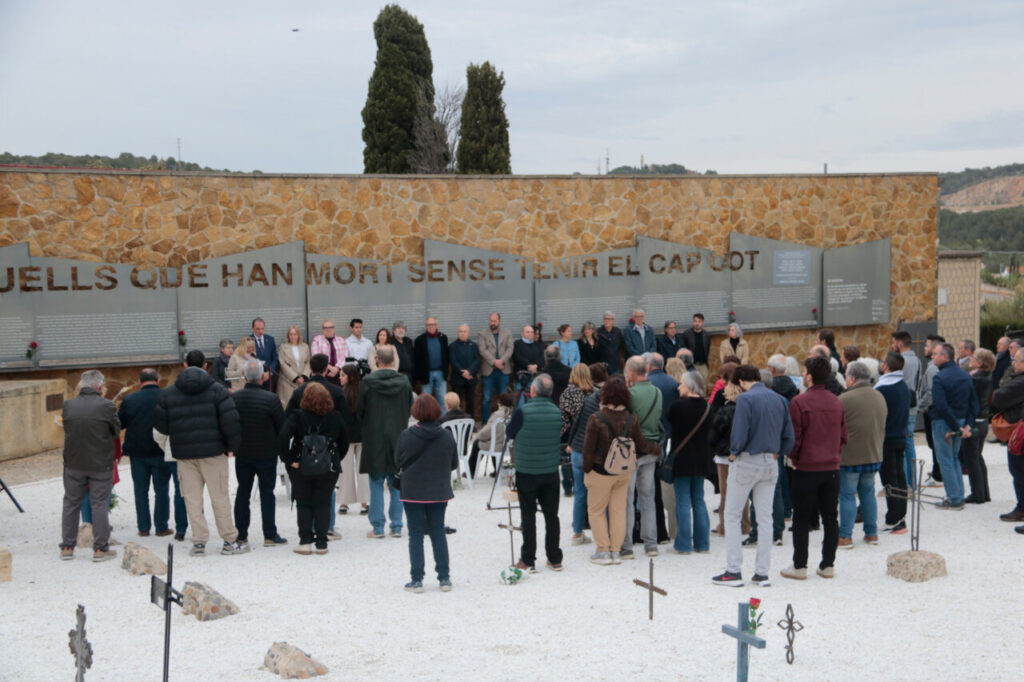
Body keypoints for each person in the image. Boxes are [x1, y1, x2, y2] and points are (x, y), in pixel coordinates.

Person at [153, 350, 246, 557]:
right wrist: (232, 447)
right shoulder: (217, 390)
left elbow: (161, 425)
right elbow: (230, 421)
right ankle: (229, 540)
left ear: (185, 365)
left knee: (192, 500)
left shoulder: (169, 393)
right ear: (205, 366)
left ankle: (199, 543)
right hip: (214, 453)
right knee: (220, 497)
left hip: (184, 455)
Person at [711, 365, 794, 587]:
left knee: (732, 514)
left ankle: (733, 570)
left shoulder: (745, 400)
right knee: (765, 517)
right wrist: (779, 452)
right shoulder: (779, 400)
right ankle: (761, 573)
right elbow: (789, 436)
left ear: (740, 382)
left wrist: (733, 453)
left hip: (746, 460)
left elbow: (739, 433)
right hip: (770, 460)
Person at [780, 356, 846, 581]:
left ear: (808, 375)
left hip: (807, 467)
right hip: (831, 466)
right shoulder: (837, 402)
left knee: (801, 517)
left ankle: (800, 565)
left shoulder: (799, 403)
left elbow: (795, 438)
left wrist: (795, 458)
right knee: (830, 516)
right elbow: (843, 436)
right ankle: (828, 564)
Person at [581, 376, 660, 564]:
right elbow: (640, 444)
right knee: (619, 510)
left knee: (596, 511)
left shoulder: (596, 419)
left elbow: (588, 450)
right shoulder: (630, 418)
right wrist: (656, 449)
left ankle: (603, 550)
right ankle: (616, 550)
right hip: (623, 472)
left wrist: (586, 470)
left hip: (601, 471)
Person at [395, 394, 458, 593]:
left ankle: (416, 579)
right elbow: (454, 463)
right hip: (438, 488)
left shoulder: (407, 435)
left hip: (413, 489)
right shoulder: (446, 435)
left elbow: (398, 461)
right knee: (438, 531)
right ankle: (444, 577)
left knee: (415, 534)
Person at [279, 382, 348, 555]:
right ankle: (322, 542)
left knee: (303, 503)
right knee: (323, 502)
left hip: (300, 463)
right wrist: (335, 458)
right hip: (328, 465)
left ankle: (305, 541)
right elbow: (344, 443)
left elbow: (282, 437)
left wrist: (288, 459)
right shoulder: (336, 416)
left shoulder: (297, 416)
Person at [59, 370, 121, 562]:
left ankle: (67, 546)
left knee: (71, 503)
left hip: (74, 462)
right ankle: (100, 548)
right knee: (99, 504)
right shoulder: (107, 406)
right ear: (100, 386)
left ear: (81, 385)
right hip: (100, 463)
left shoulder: (68, 405)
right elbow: (116, 430)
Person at [506, 374, 564, 572]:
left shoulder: (523, 411)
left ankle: (528, 558)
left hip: (527, 470)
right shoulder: (557, 412)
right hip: (550, 470)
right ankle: (555, 557)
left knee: (528, 516)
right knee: (551, 515)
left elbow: (509, 433)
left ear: (532, 391)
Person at [358, 346, 413, 538]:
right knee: (397, 480)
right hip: (398, 434)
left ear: (378, 361)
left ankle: (378, 527)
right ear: (393, 361)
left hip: (375, 435)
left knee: (375, 480)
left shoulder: (367, 382)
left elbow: (360, 410)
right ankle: (396, 525)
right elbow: (408, 407)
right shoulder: (404, 381)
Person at [120, 368, 182, 539]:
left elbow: (121, 423)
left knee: (140, 490)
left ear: (140, 382)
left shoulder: (129, 399)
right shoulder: (167, 396)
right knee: (161, 489)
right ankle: (161, 526)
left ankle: (143, 527)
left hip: (137, 451)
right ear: (158, 381)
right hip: (160, 450)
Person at [232, 359, 287, 549]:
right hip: (266, 453)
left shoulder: (235, 398)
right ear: (263, 377)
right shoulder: (271, 399)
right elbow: (282, 427)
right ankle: (270, 534)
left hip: (243, 452)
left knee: (243, 492)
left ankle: (240, 534)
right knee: (267, 493)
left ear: (245, 376)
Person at [837, 361, 887, 549]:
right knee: (868, 493)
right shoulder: (879, 396)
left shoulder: (844, 399)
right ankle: (871, 533)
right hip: (874, 453)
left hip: (850, 455)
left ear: (851, 378)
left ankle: (845, 536)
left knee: (847, 495)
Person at [666, 372, 714, 555]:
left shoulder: (678, 407)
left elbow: (670, 421)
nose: (679, 387)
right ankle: (702, 543)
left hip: (682, 458)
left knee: (683, 502)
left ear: (689, 385)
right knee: (699, 500)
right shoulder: (707, 407)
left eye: (681, 384)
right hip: (701, 458)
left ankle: (684, 544)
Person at [929, 343, 979, 509]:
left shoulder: (939, 378)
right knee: (954, 459)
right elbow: (974, 404)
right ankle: (958, 494)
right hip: (961, 421)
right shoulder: (965, 376)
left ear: (944, 357)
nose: (932, 356)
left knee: (945, 460)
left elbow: (941, 405)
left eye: (935, 354)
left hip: (944, 423)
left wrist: (957, 427)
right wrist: (967, 425)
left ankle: (955, 499)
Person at [624, 355, 663, 558]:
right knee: (648, 499)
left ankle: (627, 546)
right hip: (651, 449)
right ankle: (651, 545)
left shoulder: (629, 394)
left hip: (632, 451)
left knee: (628, 499)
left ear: (630, 373)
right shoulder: (657, 392)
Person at [707, 369, 751, 538]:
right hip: (743, 454)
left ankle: (724, 526)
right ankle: (745, 524)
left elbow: (713, 435)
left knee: (726, 492)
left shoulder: (723, 412)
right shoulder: (746, 410)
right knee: (743, 492)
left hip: (724, 455)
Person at [560, 363, 597, 537]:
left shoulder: (567, 393)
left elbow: (565, 421)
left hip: (576, 443)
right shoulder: (595, 393)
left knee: (580, 490)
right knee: (597, 489)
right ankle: (595, 523)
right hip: (594, 443)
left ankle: (578, 528)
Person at [876, 352, 911, 534]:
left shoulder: (883, 388)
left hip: (887, 439)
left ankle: (894, 518)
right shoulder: (902, 385)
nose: (880, 364)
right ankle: (900, 515)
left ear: (887, 366)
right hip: (900, 436)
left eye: (882, 361)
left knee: (890, 479)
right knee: (900, 477)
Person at [992, 347, 1024, 527]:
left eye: (1016, 360)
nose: (1013, 363)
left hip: (1020, 431)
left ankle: (1022, 508)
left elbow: (998, 397)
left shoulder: (1020, 382)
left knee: (1018, 470)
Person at [891, 330, 921, 490]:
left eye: (893, 342)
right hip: (913, 406)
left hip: (901, 407)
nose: (892, 345)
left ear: (899, 343)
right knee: (909, 446)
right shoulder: (917, 360)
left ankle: (903, 485)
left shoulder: (900, 360)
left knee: (902, 447)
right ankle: (912, 482)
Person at [337, 364, 368, 517]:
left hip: (346, 436)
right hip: (362, 434)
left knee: (345, 470)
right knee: (363, 470)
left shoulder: (340, 394)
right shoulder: (364, 390)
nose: (340, 377)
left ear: (350, 376)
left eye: (342, 375)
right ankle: (364, 502)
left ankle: (344, 502)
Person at [963, 348, 994, 503]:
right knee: (977, 457)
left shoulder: (977, 379)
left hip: (975, 421)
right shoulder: (986, 376)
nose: (970, 359)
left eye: (974, 357)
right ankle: (984, 493)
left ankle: (978, 494)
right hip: (983, 420)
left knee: (972, 458)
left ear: (981, 363)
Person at [917, 333, 946, 486]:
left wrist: (920, 407)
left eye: (927, 345)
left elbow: (931, 393)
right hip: (931, 410)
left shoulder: (933, 369)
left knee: (935, 443)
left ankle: (938, 474)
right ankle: (937, 471)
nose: (924, 348)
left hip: (932, 411)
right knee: (933, 443)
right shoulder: (932, 366)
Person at [477, 312, 514, 423]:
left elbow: (510, 348)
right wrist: (494, 362)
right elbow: (482, 350)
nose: (492, 323)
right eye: (491, 321)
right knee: (486, 399)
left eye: (495, 321)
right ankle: (485, 423)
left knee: (503, 399)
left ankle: (503, 423)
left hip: (503, 370)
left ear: (499, 321)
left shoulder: (507, 333)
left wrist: (501, 361)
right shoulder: (482, 334)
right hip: (489, 370)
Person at [471, 391, 514, 477]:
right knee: (493, 441)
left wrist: (477, 436)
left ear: (500, 403)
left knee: (478, 443)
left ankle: (471, 471)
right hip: (509, 446)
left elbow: (486, 432)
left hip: (498, 445)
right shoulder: (512, 414)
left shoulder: (497, 415)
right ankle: (497, 470)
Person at [414, 317, 450, 411]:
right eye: (428, 325)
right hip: (426, 374)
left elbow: (446, 355)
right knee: (426, 401)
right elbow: (417, 359)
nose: (430, 327)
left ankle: (443, 422)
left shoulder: (443, 338)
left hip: (441, 373)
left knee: (442, 399)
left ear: (436, 325)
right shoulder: (420, 340)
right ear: (426, 327)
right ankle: (427, 423)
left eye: (432, 324)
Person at [449, 324, 480, 416]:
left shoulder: (474, 345)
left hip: (470, 379)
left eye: (464, 331)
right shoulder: (453, 346)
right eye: (460, 331)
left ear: (469, 333)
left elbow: (477, 360)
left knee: (470, 402)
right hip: (457, 380)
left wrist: (469, 371)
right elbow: (453, 361)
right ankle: (457, 422)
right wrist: (463, 372)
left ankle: (471, 423)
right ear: (458, 333)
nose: (462, 333)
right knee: (457, 404)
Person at [277, 325, 311, 406]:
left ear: (298, 335)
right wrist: (295, 378)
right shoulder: (283, 347)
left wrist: (304, 376)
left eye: (295, 334)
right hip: (288, 382)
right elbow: (282, 364)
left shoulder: (305, 347)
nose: (293, 336)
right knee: (288, 405)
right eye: (291, 334)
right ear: (288, 336)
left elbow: (308, 362)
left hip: (303, 382)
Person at [310, 319, 349, 386]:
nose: (328, 330)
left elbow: (345, 356)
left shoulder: (341, 340)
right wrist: (330, 368)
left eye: (330, 327)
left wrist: (336, 368)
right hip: (323, 374)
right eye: (325, 328)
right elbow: (316, 357)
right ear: (322, 329)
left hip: (339, 375)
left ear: (334, 328)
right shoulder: (317, 340)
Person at [681, 313, 711, 381]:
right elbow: (684, 349)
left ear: (702, 323)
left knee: (703, 386)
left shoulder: (706, 335)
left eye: (699, 321)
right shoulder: (687, 334)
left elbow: (707, 349)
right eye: (695, 321)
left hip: (703, 365)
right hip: (691, 365)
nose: (697, 323)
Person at [251, 317, 277, 389]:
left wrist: (270, 372)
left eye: (262, 328)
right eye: (258, 329)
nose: (260, 331)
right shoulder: (248, 340)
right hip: (255, 378)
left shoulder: (270, 339)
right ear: (252, 328)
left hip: (268, 377)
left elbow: (274, 358)